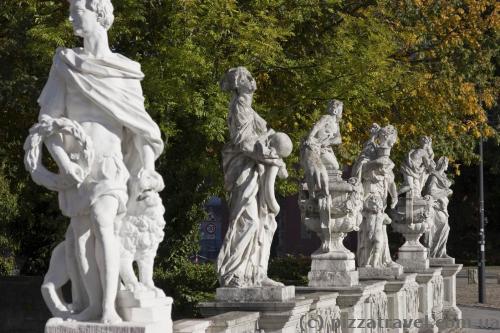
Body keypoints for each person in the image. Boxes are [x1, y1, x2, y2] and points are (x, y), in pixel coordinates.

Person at [36, 0, 163, 323]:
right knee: (80, 238)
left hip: (109, 166)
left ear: (100, 15)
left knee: (104, 222)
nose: (70, 18)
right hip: (77, 169)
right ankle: (93, 306)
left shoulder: (125, 71)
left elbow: (142, 131)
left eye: (77, 12)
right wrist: (64, 164)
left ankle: (108, 310)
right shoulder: (65, 64)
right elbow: (48, 124)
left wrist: (146, 167)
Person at [217, 67, 291, 287]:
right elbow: (243, 142)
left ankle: (257, 273)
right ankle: (233, 274)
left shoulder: (249, 109)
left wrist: (274, 155)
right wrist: (270, 158)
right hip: (244, 169)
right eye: (247, 77)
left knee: (263, 221)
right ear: (238, 84)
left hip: (255, 169)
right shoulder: (239, 105)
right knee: (247, 219)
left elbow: (265, 134)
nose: (253, 79)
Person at [423, 157, 453, 258]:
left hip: (442, 207)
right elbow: (430, 192)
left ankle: (441, 252)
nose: (447, 165)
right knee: (440, 228)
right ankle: (434, 253)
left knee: (445, 229)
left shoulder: (442, 176)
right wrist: (445, 192)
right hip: (436, 208)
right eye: (447, 163)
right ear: (443, 164)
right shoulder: (434, 177)